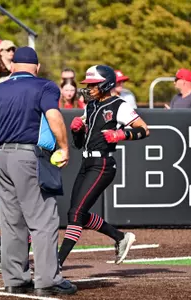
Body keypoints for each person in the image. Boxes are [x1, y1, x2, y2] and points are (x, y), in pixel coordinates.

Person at [0, 47, 77, 296]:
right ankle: (47, 280)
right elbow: (54, 116)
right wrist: (64, 147)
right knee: (44, 220)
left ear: (13, 67)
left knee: (11, 220)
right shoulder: (44, 86)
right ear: (36, 68)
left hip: (2, 156)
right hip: (29, 156)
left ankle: (15, 278)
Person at [58, 64, 149, 269]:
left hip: (103, 163)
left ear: (105, 84)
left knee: (76, 214)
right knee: (77, 213)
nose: (89, 88)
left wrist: (122, 134)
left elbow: (144, 129)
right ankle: (120, 237)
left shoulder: (119, 105)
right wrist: (77, 131)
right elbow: (80, 144)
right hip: (87, 161)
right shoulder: (90, 106)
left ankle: (56, 262)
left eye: (93, 84)